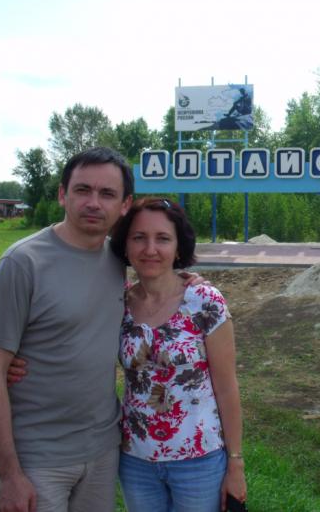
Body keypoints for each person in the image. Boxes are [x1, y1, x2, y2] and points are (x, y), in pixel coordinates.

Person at [0, 147, 201, 512]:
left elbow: (152, 279)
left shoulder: (117, 258)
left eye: (107, 193)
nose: (94, 203)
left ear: (124, 204)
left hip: (103, 449)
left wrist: (185, 282)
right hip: (38, 456)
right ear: (62, 194)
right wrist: (9, 475)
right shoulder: (22, 263)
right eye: (83, 190)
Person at [108, 197, 247, 511]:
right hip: (135, 460)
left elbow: (227, 387)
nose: (150, 249)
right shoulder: (117, 303)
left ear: (178, 248)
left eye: (163, 238)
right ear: (126, 246)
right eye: (139, 237)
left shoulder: (204, 301)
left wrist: (236, 462)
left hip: (199, 462)